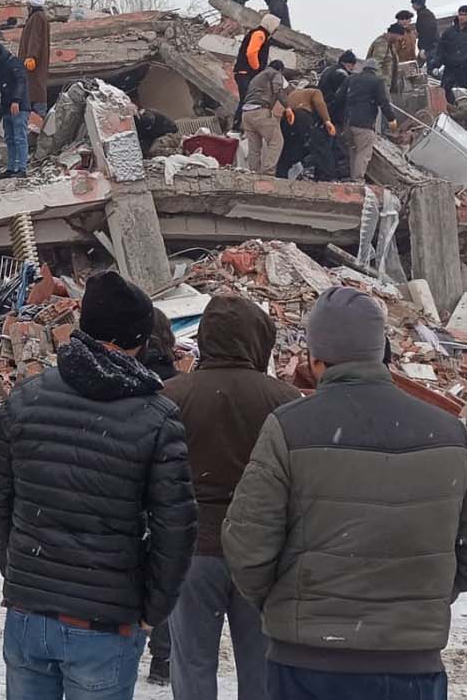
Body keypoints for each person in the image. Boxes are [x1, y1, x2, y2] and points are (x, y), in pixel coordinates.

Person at [225, 287, 467, 699]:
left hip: (307, 663)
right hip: (410, 666)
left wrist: (285, 601)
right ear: (382, 352)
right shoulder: (449, 433)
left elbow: (248, 546)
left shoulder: (289, 427)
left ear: (314, 359)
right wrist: (427, 595)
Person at [0, 271, 196, 700]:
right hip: (104, 623)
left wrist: (20, 572)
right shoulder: (157, 417)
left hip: (31, 614)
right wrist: (153, 610)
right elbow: (176, 526)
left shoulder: (26, 399)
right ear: (139, 341)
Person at [162, 295, 299, 700]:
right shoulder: (286, 401)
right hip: (261, 552)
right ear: (259, 341)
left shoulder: (170, 396)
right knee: (261, 665)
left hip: (191, 547)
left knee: (191, 664)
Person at [342, 59, 395, 182]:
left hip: (348, 122)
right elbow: (383, 102)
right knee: (363, 152)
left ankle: (353, 178)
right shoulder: (376, 82)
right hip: (364, 124)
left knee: (353, 150)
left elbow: (340, 98)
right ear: (375, 70)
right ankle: (358, 180)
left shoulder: (351, 79)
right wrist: (391, 119)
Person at [239, 59, 291, 175]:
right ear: (281, 70)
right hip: (260, 111)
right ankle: (268, 172)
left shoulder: (257, 77)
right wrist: (287, 107)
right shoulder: (275, 73)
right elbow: (277, 89)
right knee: (276, 141)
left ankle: (253, 172)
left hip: (246, 114)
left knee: (254, 147)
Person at [430, 5, 467, 106]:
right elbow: (441, 49)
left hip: (465, 68)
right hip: (450, 68)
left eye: (465, 15)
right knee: (446, 90)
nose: (462, 17)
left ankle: (461, 114)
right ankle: (450, 111)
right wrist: (436, 65)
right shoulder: (449, 32)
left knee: (461, 93)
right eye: (460, 14)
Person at [277, 81, 334, 180]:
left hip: (287, 120)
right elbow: (319, 103)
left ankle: (281, 174)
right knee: (319, 146)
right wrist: (327, 121)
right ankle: (326, 176)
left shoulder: (294, 93)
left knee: (289, 148)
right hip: (302, 117)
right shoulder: (315, 92)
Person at [0, 44, 30, 179]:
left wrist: (16, 100)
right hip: (8, 108)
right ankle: (11, 168)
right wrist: (0, 113)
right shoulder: (1, 68)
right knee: (10, 139)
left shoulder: (13, 63)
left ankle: (21, 168)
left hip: (18, 107)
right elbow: (4, 93)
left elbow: (21, 82)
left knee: (20, 137)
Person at [232, 13, 279, 109]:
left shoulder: (262, 35)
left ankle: (239, 123)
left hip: (247, 74)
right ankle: (239, 123)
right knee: (247, 103)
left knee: (246, 102)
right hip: (246, 73)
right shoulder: (259, 34)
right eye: (275, 27)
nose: (275, 30)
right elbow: (251, 53)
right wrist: (257, 68)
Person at [19, 0, 51, 115]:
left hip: (34, 66)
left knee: (36, 92)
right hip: (33, 68)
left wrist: (31, 56)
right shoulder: (39, 17)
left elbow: (35, 38)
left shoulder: (37, 18)